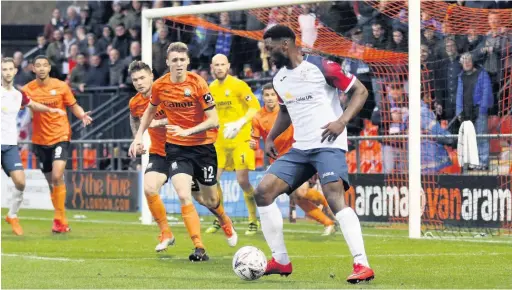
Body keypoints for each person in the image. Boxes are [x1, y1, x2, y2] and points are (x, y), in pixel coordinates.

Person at [257, 25, 374, 283]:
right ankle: (281, 260)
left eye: (270, 47)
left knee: (334, 197)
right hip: (301, 148)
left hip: (328, 143)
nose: (267, 53)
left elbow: (361, 91)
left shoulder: (323, 67)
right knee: (263, 192)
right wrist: (270, 137)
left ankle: (362, 264)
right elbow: (286, 112)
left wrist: (342, 121)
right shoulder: (279, 80)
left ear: (285, 44)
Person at [129, 42, 237, 262]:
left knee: (209, 200)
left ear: (187, 61)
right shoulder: (158, 89)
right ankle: (197, 245)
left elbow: (214, 120)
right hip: (175, 148)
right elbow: (146, 114)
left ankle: (224, 219)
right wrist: (138, 136)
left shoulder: (198, 83)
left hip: (203, 147)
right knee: (179, 193)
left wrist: (186, 130)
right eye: (174, 60)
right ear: (167, 62)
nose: (178, 64)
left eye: (182, 60)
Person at [250, 83, 336, 236]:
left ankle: (328, 204)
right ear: (262, 98)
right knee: (296, 196)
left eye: (272, 95)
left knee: (301, 193)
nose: (270, 98)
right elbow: (255, 142)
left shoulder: (288, 112)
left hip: (296, 156)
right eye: (267, 95)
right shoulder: (257, 117)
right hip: (277, 162)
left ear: (278, 97)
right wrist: (252, 144)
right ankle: (328, 223)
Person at [21, 55, 92, 234]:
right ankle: (60, 218)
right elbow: (17, 106)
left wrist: (82, 115)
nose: (42, 68)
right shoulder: (28, 89)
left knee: (57, 176)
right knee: (51, 182)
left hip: (60, 135)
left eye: (45, 65)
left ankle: (59, 219)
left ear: (49, 68)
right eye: (38, 66)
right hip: (39, 140)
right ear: (33, 69)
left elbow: (73, 105)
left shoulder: (61, 86)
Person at [1, 57, 66, 235]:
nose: (7, 72)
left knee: (21, 182)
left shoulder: (18, 95)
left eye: (10, 69)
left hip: (10, 145)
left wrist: (52, 110)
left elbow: (32, 104)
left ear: (15, 71)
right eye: (4, 69)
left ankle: (12, 216)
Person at [206, 54, 261, 236]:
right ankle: (220, 219)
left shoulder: (238, 85)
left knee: (242, 181)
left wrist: (239, 123)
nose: (220, 68)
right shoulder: (210, 89)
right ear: (211, 67)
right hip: (220, 141)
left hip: (240, 139)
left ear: (228, 66)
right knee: (212, 181)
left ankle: (253, 220)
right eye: (216, 65)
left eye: (223, 64)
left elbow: (255, 107)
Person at [128, 60, 176, 252]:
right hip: (159, 152)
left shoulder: (166, 92)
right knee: (149, 188)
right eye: (135, 80)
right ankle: (166, 233)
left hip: (184, 149)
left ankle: (222, 221)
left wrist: (161, 121)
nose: (139, 83)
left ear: (151, 76)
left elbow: (185, 115)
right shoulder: (135, 102)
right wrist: (137, 139)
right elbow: (134, 118)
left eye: (142, 78)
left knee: (204, 198)